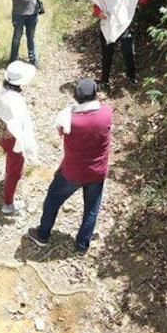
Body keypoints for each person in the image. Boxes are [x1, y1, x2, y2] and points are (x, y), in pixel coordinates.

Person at [26, 79, 113, 255]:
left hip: (72, 171)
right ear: (96, 95)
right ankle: (82, 245)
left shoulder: (69, 119)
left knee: (53, 199)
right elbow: (101, 108)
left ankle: (43, 235)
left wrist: (70, 110)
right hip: (97, 171)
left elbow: (60, 129)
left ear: (75, 97)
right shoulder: (106, 114)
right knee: (91, 208)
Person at [0, 61, 38, 215]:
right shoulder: (16, 101)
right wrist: (27, 146)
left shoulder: (0, 91)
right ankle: (8, 203)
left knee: (12, 161)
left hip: (0, 135)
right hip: (12, 139)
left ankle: (11, 173)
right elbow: (20, 126)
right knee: (15, 165)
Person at [90, 0, 153, 89]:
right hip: (107, 25)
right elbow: (96, 5)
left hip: (122, 24)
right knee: (106, 54)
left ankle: (131, 76)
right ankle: (105, 80)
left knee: (128, 51)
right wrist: (99, 13)